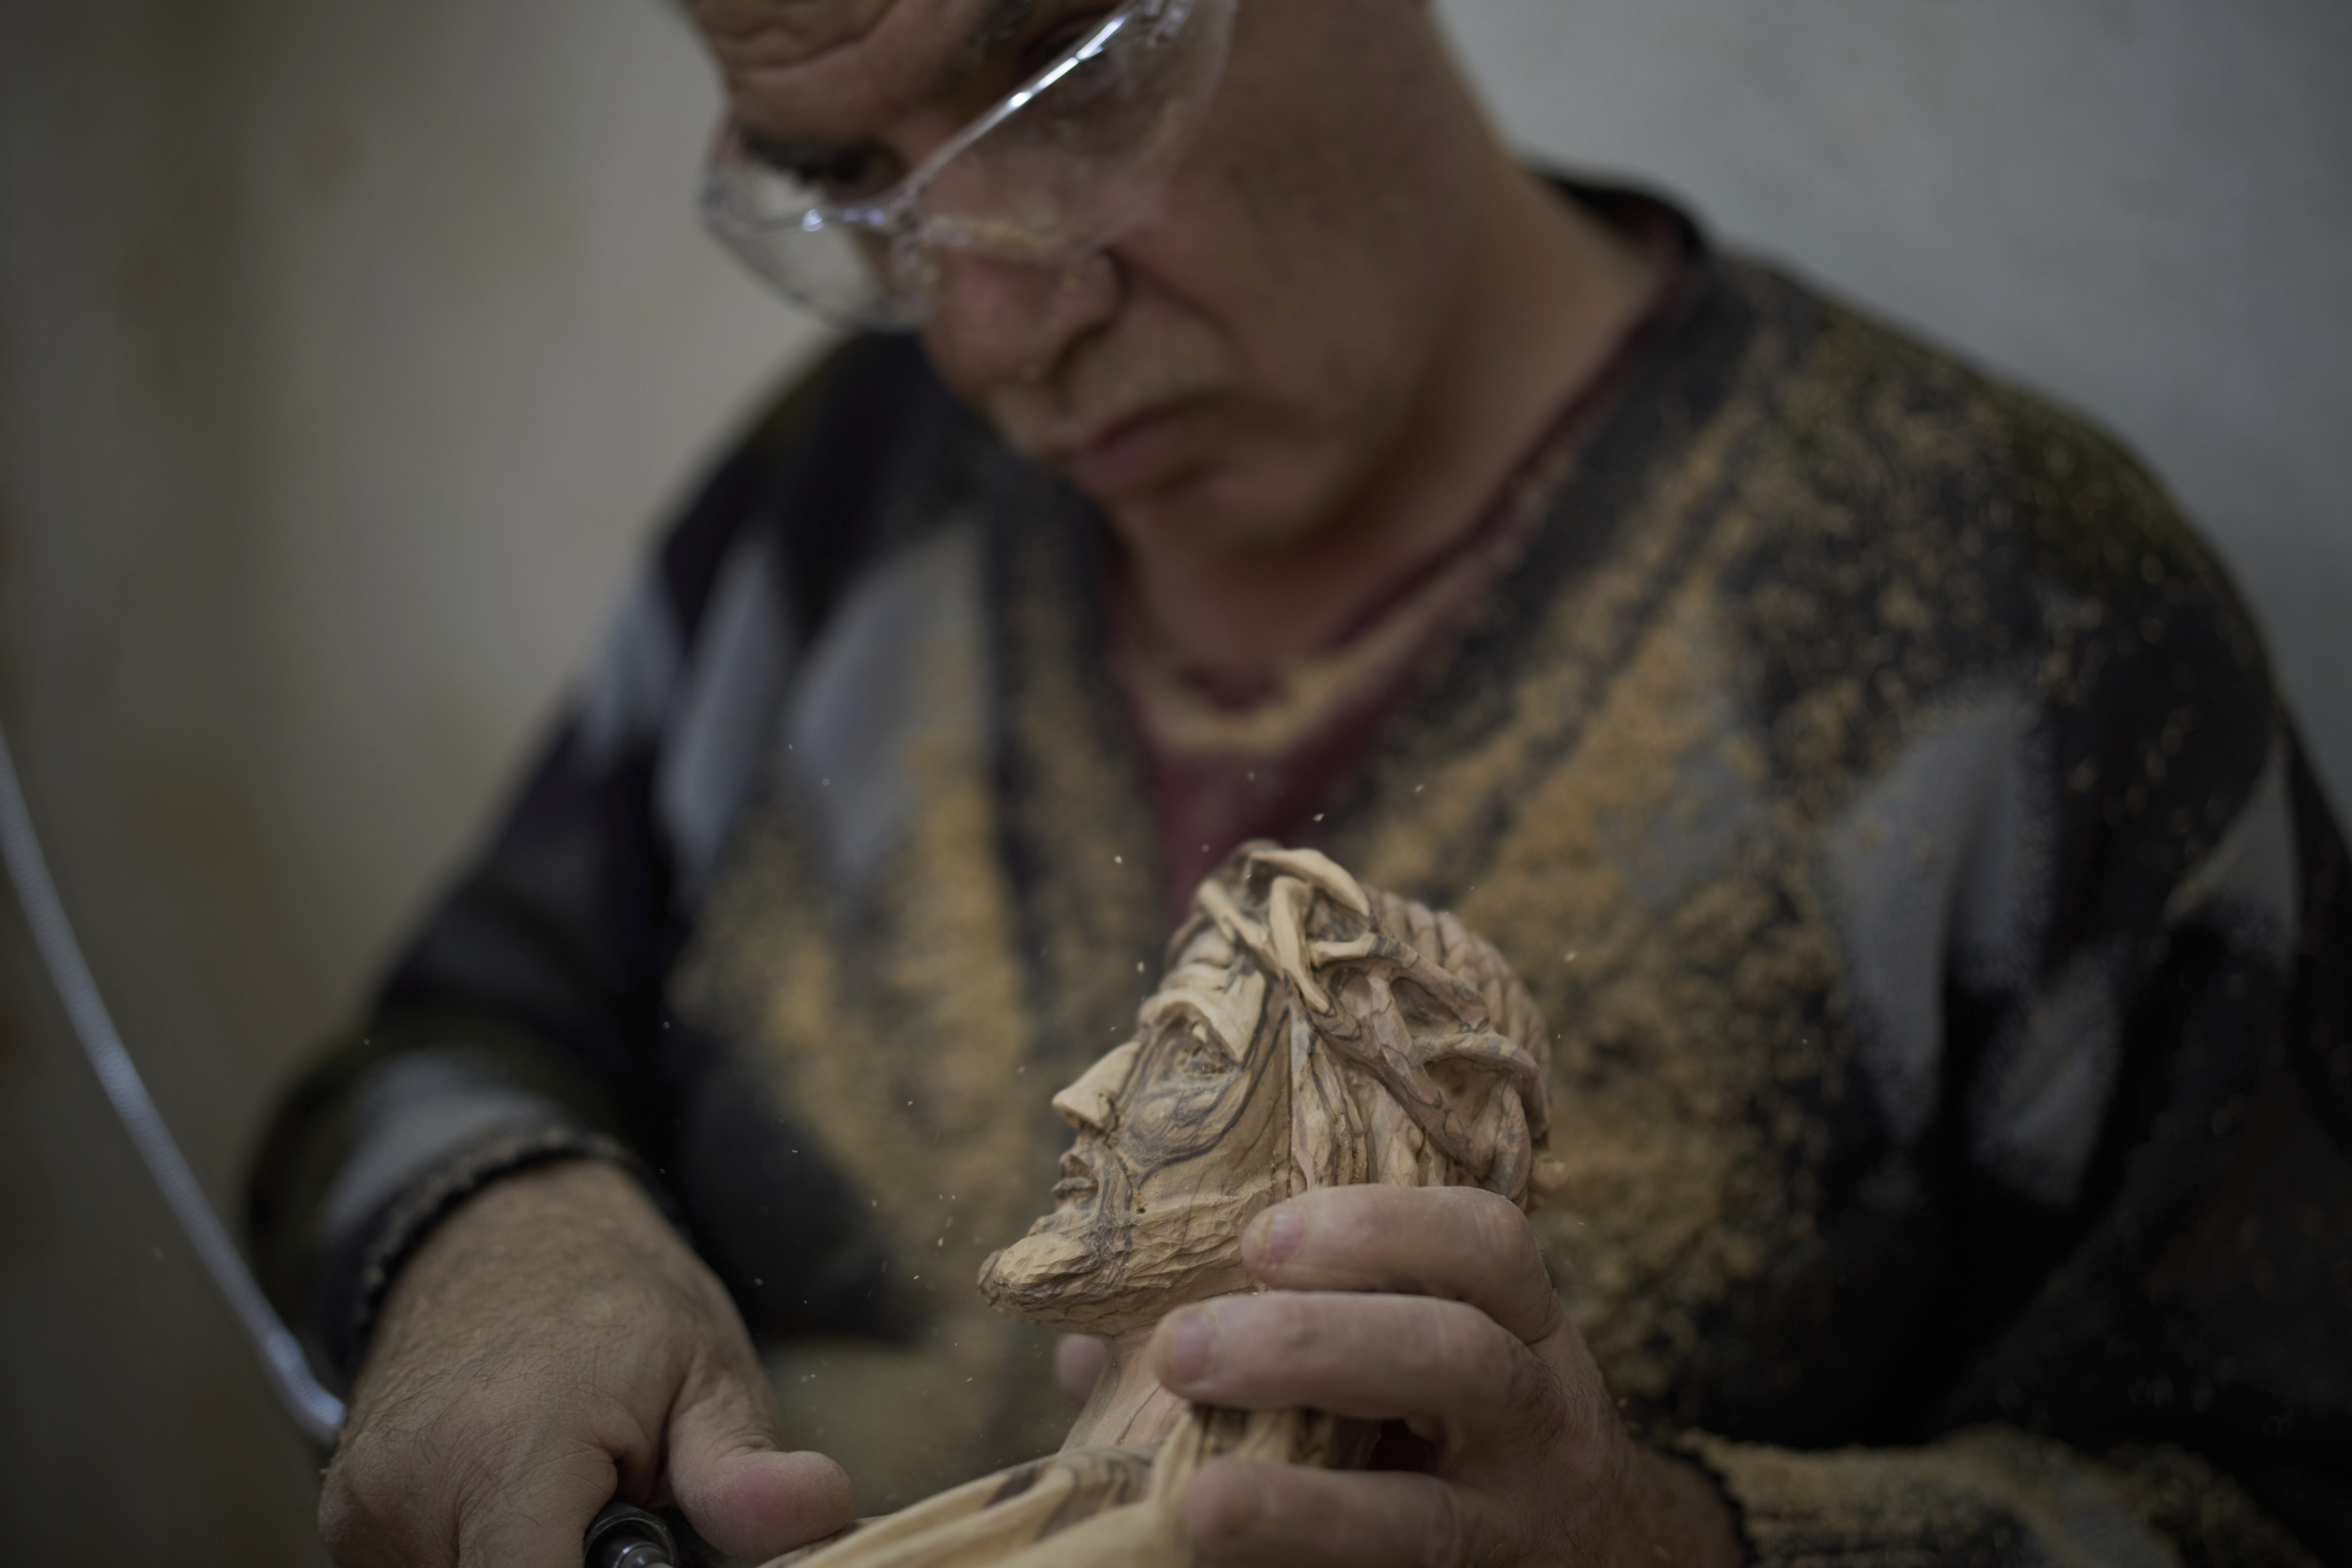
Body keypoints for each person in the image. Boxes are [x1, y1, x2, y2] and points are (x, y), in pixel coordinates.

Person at [244, 1, 2352, 1564]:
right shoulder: (834, 522)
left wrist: (1673, 1545)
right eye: (843, 185)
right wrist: (496, 1236)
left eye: (1050, 88)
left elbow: (2286, 1488)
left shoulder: (2013, 628)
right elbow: (441, 1048)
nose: (986, 337)